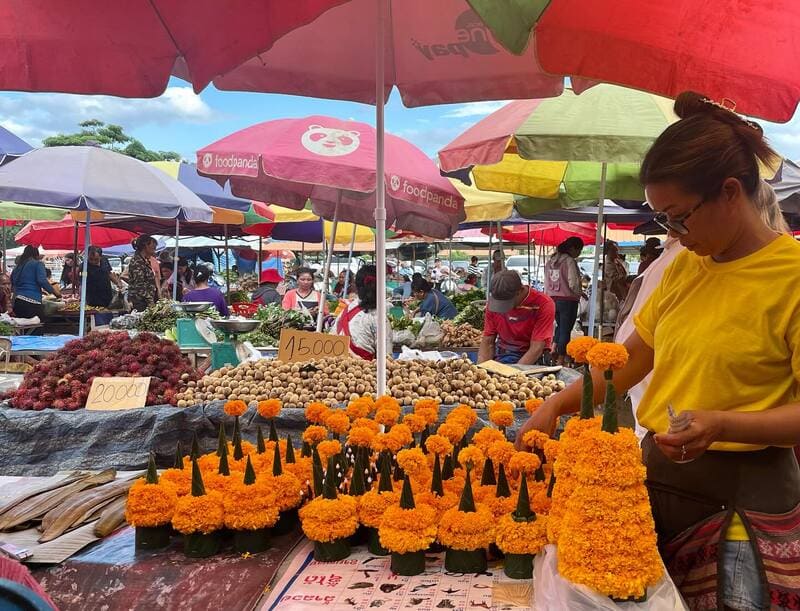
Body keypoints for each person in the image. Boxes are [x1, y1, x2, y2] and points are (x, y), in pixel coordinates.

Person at [517, 91, 800, 610]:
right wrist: (554, 405)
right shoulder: (686, 269)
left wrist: (723, 423)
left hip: (742, 500)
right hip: (657, 485)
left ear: (730, 192)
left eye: (679, 217)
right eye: (663, 220)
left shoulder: (792, 278)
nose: (673, 233)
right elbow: (626, 365)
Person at [478, 270, 555, 365]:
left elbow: (536, 348)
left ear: (520, 291)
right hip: (504, 353)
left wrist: (514, 376)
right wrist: (480, 369)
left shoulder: (543, 304)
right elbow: (488, 341)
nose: (502, 308)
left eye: (506, 303)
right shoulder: (494, 304)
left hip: (532, 358)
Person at [331, 265, 390, 360]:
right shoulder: (379, 318)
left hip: (336, 366)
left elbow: (332, 338)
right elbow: (386, 358)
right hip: (365, 371)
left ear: (356, 285)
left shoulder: (347, 309)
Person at [544, 237, 584, 363]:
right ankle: (561, 359)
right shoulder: (569, 261)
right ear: (572, 248)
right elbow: (573, 283)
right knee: (566, 329)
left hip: (553, 299)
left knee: (560, 326)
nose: (579, 253)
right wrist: (579, 293)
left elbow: (546, 281)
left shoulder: (551, 260)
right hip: (568, 300)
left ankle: (553, 350)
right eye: (579, 250)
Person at [10, 246, 56, 319]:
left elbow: (12, 284)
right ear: (36, 254)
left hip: (17, 301)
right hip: (32, 302)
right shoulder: (37, 264)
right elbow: (42, 281)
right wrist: (55, 292)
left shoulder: (16, 267)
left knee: (24, 327)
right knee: (37, 325)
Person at [127, 235, 158, 312]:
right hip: (140, 302)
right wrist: (150, 301)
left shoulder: (145, 261)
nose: (154, 249)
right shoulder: (137, 262)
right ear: (145, 245)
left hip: (145, 300)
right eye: (153, 246)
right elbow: (139, 285)